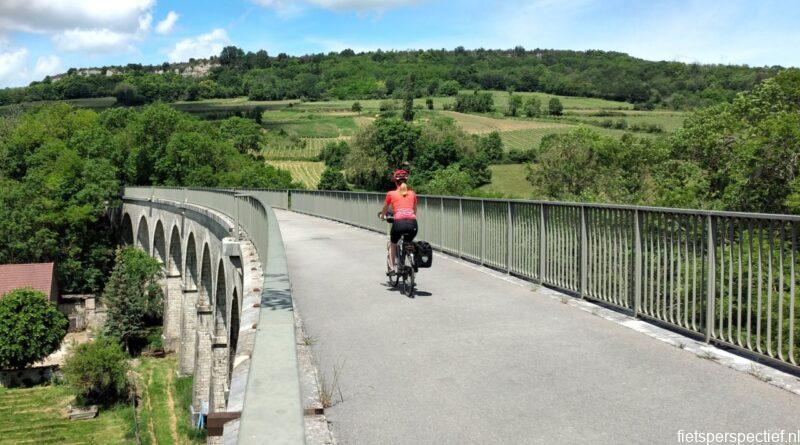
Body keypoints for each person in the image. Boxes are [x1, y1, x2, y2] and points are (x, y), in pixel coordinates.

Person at [379, 169, 418, 273]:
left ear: (395, 182)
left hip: (399, 224)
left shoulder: (391, 194)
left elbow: (385, 208)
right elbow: (414, 210)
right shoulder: (412, 193)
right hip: (412, 223)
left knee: (393, 244)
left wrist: (382, 216)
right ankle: (412, 259)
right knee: (408, 242)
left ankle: (392, 268)